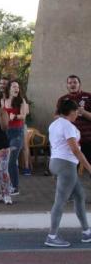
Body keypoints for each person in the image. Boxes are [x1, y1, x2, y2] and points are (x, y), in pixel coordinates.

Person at [44, 99, 91, 248]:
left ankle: (86, 231)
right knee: (60, 201)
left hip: (56, 163)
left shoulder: (54, 124)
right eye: (77, 111)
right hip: (66, 166)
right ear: (71, 112)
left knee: (79, 196)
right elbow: (75, 150)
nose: (78, 113)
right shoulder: (68, 126)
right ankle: (52, 236)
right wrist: (89, 167)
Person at [1, 80, 29, 196]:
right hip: (5, 132)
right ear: (9, 88)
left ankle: (15, 187)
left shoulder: (21, 100)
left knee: (12, 161)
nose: (16, 88)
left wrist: (15, 116)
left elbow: (23, 116)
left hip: (17, 133)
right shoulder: (3, 101)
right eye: (14, 86)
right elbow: (1, 116)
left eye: (17, 86)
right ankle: (7, 185)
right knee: (5, 161)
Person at [56, 75, 91, 164]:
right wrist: (69, 115)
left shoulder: (89, 96)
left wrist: (84, 113)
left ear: (79, 84)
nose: (72, 84)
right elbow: (56, 117)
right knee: (71, 168)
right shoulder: (62, 100)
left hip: (87, 139)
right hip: (70, 141)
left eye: (75, 82)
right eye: (70, 83)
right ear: (67, 85)